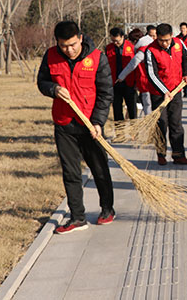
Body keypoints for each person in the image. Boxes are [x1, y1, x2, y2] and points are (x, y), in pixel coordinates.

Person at [37, 21, 115, 234]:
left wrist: (98, 122)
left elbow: (106, 93)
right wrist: (53, 89)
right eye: (63, 46)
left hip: (90, 124)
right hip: (64, 123)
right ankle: (77, 217)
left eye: (72, 44)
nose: (69, 50)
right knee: (70, 172)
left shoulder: (97, 58)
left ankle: (107, 209)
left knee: (99, 168)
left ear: (80, 38)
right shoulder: (51, 56)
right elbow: (42, 82)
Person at [145, 23, 187, 165]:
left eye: (167, 40)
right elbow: (152, 74)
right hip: (159, 94)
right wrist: (164, 91)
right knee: (161, 124)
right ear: (157, 37)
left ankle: (178, 155)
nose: (165, 43)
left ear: (172, 36)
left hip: (176, 90)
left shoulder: (179, 43)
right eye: (161, 40)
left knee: (176, 123)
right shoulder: (151, 50)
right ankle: (161, 154)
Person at [105, 27, 138, 121]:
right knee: (117, 109)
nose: (115, 43)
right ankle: (119, 129)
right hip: (115, 83)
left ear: (123, 37)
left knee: (132, 109)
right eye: (113, 41)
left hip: (129, 82)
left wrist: (137, 82)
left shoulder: (132, 47)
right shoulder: (108, 48)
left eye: (117, 41)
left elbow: (136, 66)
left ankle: (134, 129)